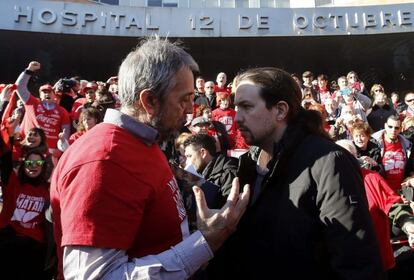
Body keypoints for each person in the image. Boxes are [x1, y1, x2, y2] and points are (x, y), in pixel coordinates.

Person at [50, 36, 250, 280]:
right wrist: (205, 242)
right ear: (150, 101)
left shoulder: (143, 141)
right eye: (184, 99)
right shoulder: (104, 161)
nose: (190, 109)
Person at [206, 67, 384, 279]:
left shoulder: (330, 162)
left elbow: (356, 263)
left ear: (280, 110)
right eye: (236, 107)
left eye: (247, 107)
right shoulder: (247, 164)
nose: (237, 118)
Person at [15, 62, 71, 156]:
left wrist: (61, 148)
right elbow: (19, 87)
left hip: (51, 152)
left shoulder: (62, 111)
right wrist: (28, 71)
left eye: (49, 92)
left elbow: (66, 131)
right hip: (29, 148)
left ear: (55, 96)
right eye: (43, 92)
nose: (46, 94)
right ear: (40, 95)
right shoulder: (32, 103)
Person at [184, 133, 238, 207]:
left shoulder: (227, 173)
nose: (187, 162)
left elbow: (228, 209)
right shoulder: (206, 171)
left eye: (189, 156)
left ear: (203, 153)